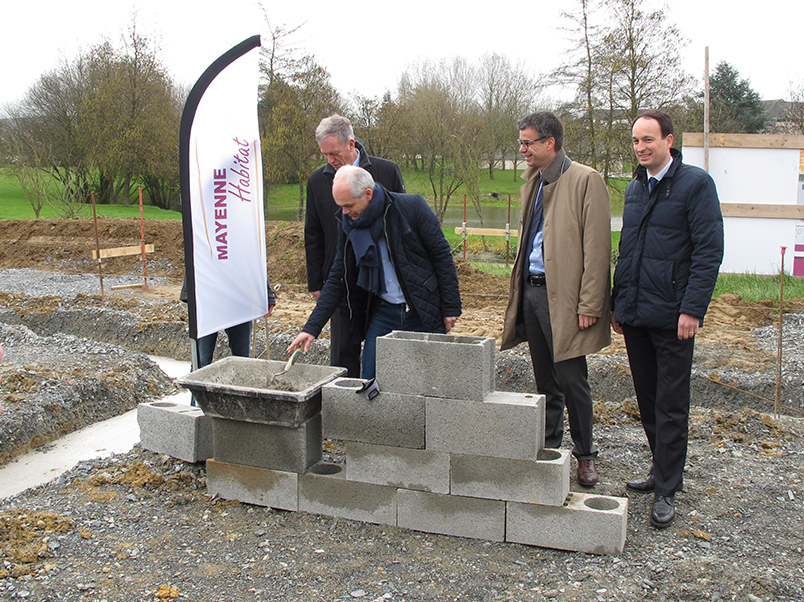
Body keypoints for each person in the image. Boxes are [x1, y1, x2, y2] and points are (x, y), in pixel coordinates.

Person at [612, 110, 724, 528]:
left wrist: (693, 308)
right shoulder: (635, 187)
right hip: (637, 314)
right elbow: (628, 248)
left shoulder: (696, 185)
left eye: (649, 140)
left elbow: (708, 251)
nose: (641, 147)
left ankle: (667, 490)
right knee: (647, 400)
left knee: (672, 404)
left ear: (669, 141)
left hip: (674, 317)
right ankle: (661, 470)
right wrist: (617, 302)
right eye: (636, 140)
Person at [500, 111, 611, 488]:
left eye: (528, 142)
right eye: (522, 142)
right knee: (545, 377)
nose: (522, 149)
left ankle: (585, 455)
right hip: (531, 293)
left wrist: (590, 305)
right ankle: (550, 446)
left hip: (563, 299)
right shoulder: (533, 181)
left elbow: (597, 250)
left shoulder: (585, 180)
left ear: (551, 142)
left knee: (571, 378)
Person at [289, 165, 461, 381]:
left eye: (348, 205)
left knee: (430, 381)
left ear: (368, 194)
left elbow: (442, 257)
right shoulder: (347, 224)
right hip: (383, 312)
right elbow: (338, 276)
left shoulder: (412, 207)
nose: (344, 212)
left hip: (423, 310)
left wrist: (450, 308)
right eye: (340, 206)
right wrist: (311, 328)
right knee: (370, 380)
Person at [306, 114, 406, 378]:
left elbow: (403, 226)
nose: (330, 160)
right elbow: (313, 234)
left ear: (351, 144)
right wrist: (316, 282)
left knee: (383, 353)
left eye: (334, 152)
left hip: (383, 283)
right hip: (341, 281)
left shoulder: (387, 172)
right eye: (324, 154)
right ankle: (345, 406)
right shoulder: (317, 182)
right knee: (343, 353)